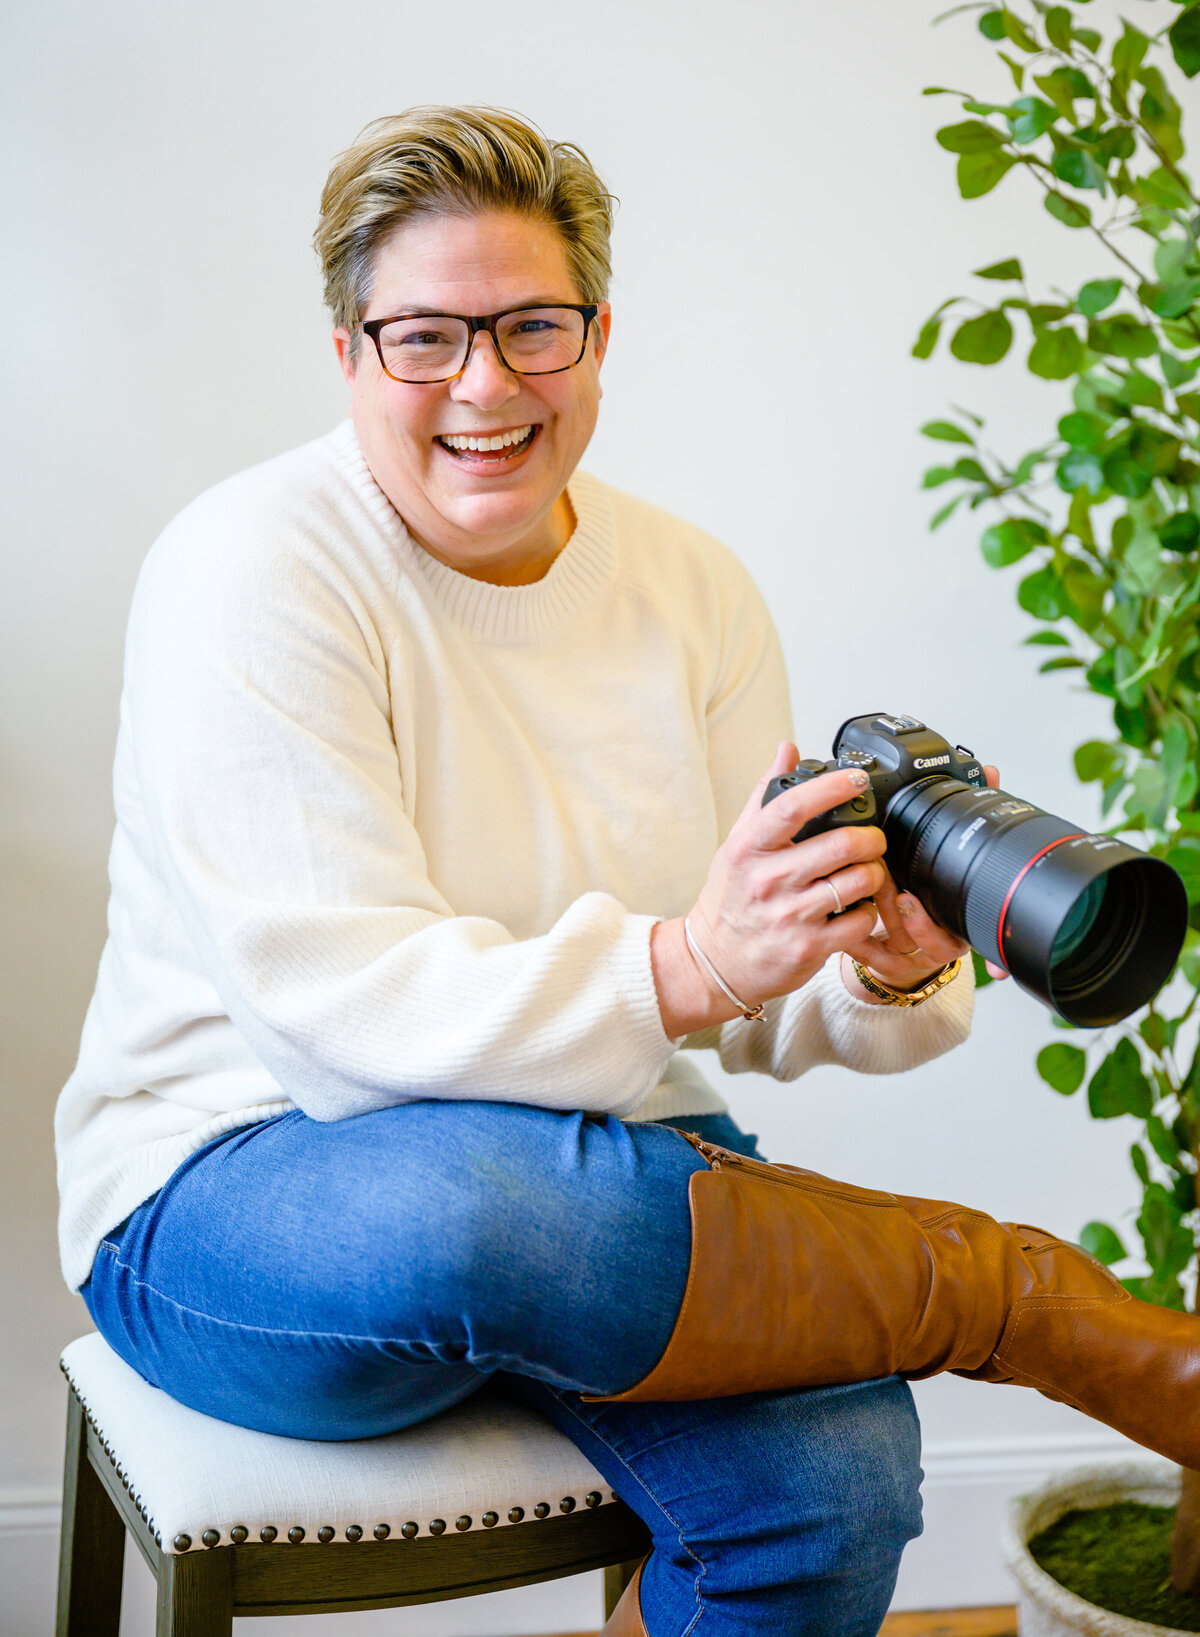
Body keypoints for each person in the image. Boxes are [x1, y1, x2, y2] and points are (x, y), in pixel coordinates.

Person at [55, 107, 1200, 1637]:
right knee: (470, 1202)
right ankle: (1019, 1300)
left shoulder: (693, 589)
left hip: (598, 1200)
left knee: (839, 1476)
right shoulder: (252, 564)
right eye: (424, 337)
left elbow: (756, 1006)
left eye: (533, 327)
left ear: (599, 337)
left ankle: (1003, 1303)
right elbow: (333, 1009)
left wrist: (886, 953)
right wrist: (688, 966)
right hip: (249, 1193)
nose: (486, 384)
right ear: (347, 354)